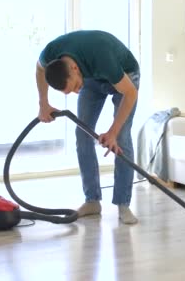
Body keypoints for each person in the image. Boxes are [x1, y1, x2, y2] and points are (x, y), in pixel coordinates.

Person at [36, 30, 140, 225]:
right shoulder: (51, 53)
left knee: (122, 138)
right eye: (71, 91)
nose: (76, 92)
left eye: (75, 86)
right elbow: (39, 68)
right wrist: (43, 103)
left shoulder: (103, 57)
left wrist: (113, 132)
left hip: (125, 75)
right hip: (92, 77)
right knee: (82, 133)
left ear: (74, 68)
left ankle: (123, 204)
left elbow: (131, 94)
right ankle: (92, 201)